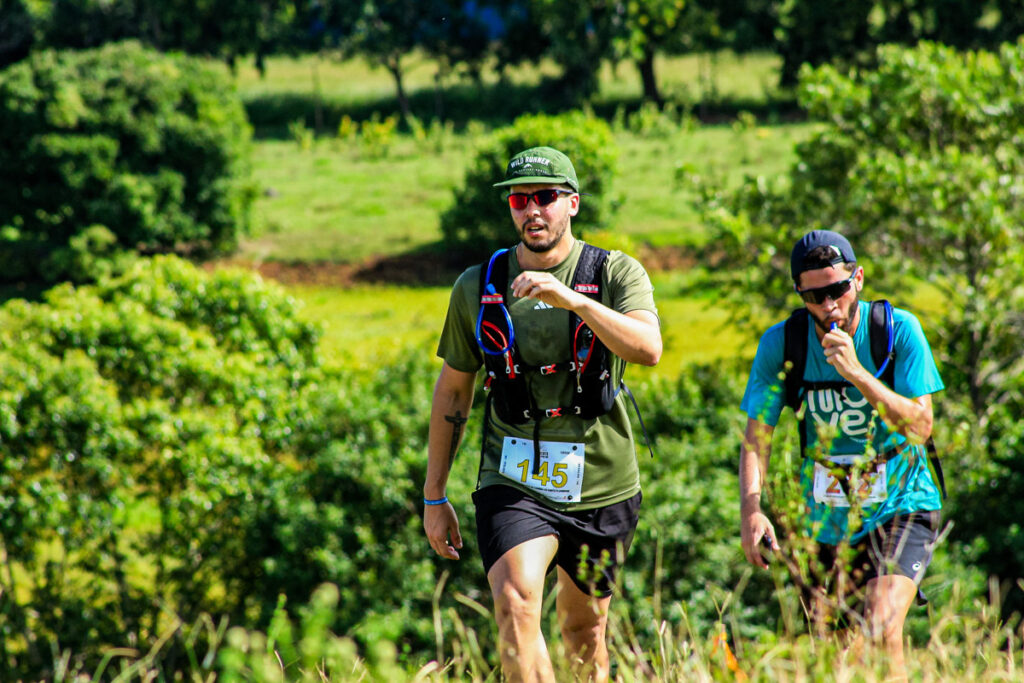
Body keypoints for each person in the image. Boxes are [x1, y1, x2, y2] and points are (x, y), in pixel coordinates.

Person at [422, 146, 662, 682]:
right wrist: (434, 495)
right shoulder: (478, 286)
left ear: (572, 203)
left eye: (546, 197)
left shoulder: (614, 272)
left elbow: (648, 348)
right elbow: (454, 392)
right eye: (519, 200)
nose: (532, 210)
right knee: (514, 602)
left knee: (584, 631)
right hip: (512, 476)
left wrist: (575, 302)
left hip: (602, 481)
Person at [738, 229, 944, 682]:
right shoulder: (782, 344)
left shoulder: (898, 330)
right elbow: (757, 436)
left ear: (859, 279)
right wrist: (751, 510)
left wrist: (858, 374)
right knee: (832, 653)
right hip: (823, 514)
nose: (829, 305)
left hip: (901, 501)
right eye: (814, 296)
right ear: (800, 293)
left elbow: (920, 426)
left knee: (881, 627)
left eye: (838, 289)